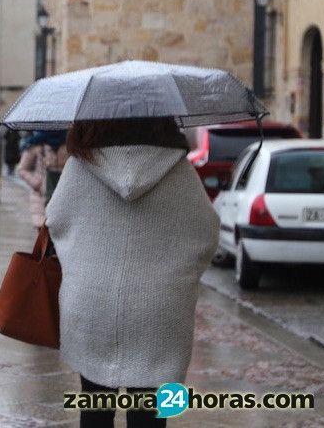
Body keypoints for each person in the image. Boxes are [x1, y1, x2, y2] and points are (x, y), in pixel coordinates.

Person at [45, 118, 219, 428]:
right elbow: (206, 232)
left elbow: (56, 219)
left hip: (92, 305)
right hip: (160, 311)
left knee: (95, 408)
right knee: (150, 414)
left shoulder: (82, 164)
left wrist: (84, 261)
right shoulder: (178, 169)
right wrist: (177, 273)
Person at [17, 135, 46, 227]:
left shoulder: (69, 143)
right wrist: (36, 183)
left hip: (63, 193)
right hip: (41, 194)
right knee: (43, 232)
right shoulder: (35, 144)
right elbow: (22, 169)